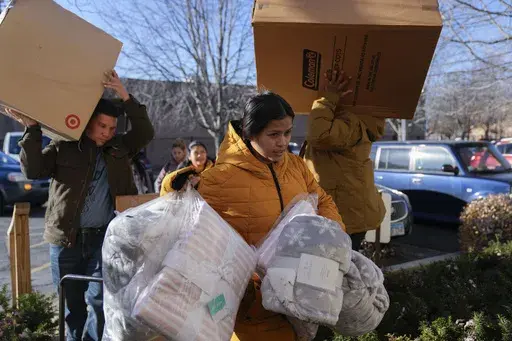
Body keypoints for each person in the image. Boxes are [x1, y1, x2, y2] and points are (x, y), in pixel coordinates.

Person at [185, 91, 344, 341]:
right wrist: (178, 182)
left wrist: (331, 236)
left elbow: (322, 200)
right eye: (273, 134)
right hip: (253, 308)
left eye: (288, 132)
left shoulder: (297, 166)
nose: (283, 142)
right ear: (250, 133)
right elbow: (180, 220)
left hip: (300, 299)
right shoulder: (218, 178)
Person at [10, 70, 154, 341]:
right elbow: (33, 170)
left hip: (106, 239)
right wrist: (31, 129)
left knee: (101, 301)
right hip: (66, 240)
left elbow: (145, 131)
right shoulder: (64, 146)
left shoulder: (121, 147)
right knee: (71, 306)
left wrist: (124, 95)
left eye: (113, 128)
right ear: (88, 124)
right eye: (103, 127)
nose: (108, 133)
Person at [303, 69, 385, 251]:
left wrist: (329, 97)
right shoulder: (356, 120)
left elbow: (320, 134)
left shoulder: (353, 122)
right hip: (346, 212)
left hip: (344, 214)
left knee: (330, 272)